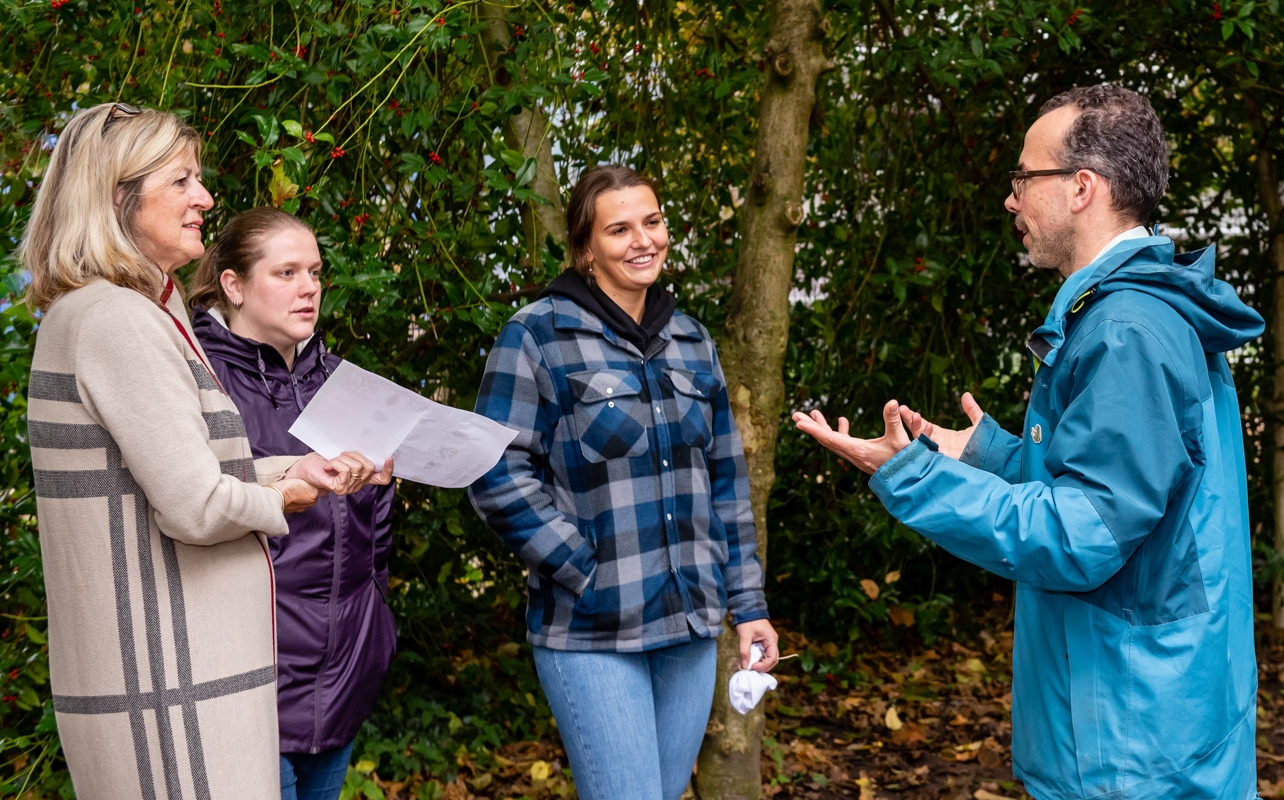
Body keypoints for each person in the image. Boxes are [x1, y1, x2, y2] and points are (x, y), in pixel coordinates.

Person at [794, 84, 1262, 799]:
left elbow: (1083, 535)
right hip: (1154, 716)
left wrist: (916, 477)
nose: (1011, 198)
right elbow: (1128, 493)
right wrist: (987, 456)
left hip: (1130, 743)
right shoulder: (1139, 311)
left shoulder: (1126, 330)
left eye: (1024, 177)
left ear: (1082, 187)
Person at [21, 103, 387, 800]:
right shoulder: (116, 319)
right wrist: (286, 494)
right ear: (117, 196)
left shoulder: (127, 311)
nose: (206, 199)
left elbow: (177, 473)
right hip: (169, 692)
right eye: (182, 181)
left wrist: (293, 468)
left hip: (178, 682)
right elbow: (195, 505)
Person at [468, 165, 779, 800]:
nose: (643, 240)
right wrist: (583, 568)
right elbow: (492, 470)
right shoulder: (538, 335)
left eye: (653, 221)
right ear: (586, 249)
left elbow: (726, 481)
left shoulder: (692, 340)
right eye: (619, 229)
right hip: (592, 633)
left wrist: (748, 607)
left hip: (689, 627)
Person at [188, 208, 397, 800]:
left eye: (315, 272)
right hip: (246, 680)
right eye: (286, 273)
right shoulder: (199, 383)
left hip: (343, 676)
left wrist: (375, 620)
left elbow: (376, 532)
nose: (308, 288)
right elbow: (191, 512)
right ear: (233, 285)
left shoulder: (343, 381)